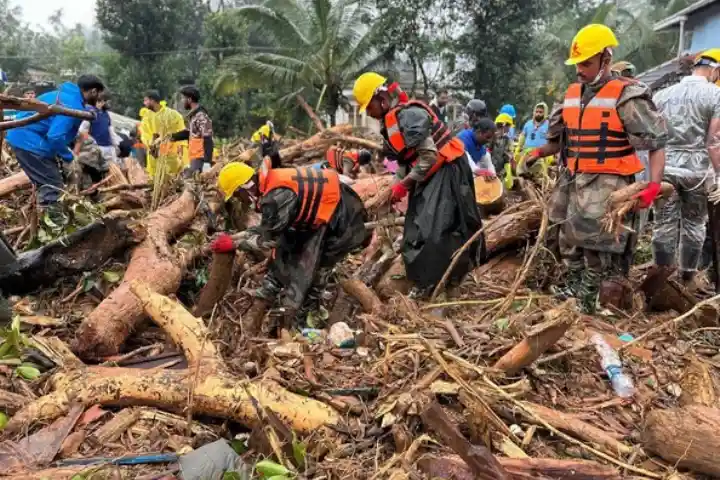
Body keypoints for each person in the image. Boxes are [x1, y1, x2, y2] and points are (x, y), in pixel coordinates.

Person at [523, 24, 667, 313]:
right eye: (577, 64)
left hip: (609, 182)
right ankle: (575, 289)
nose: (580, 70)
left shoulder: (627, 96)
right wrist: (536, 153)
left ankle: (590, 298)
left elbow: (656, 144)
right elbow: (556, 142)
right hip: (573, 178)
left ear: (606, 59)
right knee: (565, 237)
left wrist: (652, 187)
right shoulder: (571, 94)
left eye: (586, 63)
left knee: (598, 245)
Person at [352, 72, 484, 297]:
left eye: (369, 107)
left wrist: (403, 185)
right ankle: (428, 284)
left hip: (448, 169)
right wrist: (393, 190)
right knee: (416, 229)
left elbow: (429, 157)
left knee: (435, 232)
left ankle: (442, 287)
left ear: (381, 98)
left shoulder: (409, 116)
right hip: (432, 173)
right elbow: (407, 158)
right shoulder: (392, 121)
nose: (369, 113)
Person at [212, 158, 369, 333]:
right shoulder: (269, 186)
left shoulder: (275, 197)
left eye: (236, 195)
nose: (239, 200)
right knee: (287, 244)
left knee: (314, 268)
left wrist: (234, 244)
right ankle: (271, 287)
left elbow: (267, 240)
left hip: (342, 219)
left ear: (244, 187)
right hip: (321, 215)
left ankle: (306, 320)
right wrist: (236, 238)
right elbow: (268, 230)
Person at [653, 49, 720, 289]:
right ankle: (687, 278)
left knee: (663, 224)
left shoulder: (662, 95)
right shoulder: (715, 95)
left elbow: (655, 137)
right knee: (694, 224)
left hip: (666, 168)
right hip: (698, 173)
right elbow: (713, 142)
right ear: (714, 71)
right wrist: (719, 176)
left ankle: (661, 278)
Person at [5, 75, 105, 217]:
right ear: (94, 91)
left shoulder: (64, 95)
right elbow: (55, 136)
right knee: (52, 186)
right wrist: (69, 157)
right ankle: (53, 228)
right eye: (99, 94)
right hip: (30, 142)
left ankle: (43, 221)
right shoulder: (72, 103)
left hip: (23, 137)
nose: (99, 98)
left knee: (46, 184)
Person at [169, 86, 214, 177]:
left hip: (200, 158)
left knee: (193, 183)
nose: (182, 101)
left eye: (183, 98)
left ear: (189, 99)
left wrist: (207, 162)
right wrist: (170, 136)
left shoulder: (201, 116)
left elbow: (208, 138)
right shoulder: (194, 116)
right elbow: (189, 133)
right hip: (195, 157)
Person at [142, 90, 186, 178]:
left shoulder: (172, 114)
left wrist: (180, 146)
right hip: (153, 151)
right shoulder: (147, 116)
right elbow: (144, 132)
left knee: (169, 175)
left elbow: (182, 131)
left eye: (146, 100)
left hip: (169, 150)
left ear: (153, 101)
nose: (144, 103)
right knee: (154, 176)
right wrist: (151, 143)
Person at [74, 91, 120, 166]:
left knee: (111, 170)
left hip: (108, 147)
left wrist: (116, 144)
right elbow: (83, 130)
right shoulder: (90, 112)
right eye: (99, 101)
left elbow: (111, 131)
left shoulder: (106, 114)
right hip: (95, 148)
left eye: (103, 101)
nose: (101, 103)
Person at [514, 102, 552, 177]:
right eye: (536, 111)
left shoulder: (549, 125)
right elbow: (523, 136)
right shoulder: (528, 123)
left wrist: (550, 154)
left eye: (540, 112)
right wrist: (518, 147)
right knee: (520, 165)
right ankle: (521, 174)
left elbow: (552, 140)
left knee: (539, 168)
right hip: (527, 152)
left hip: (541, 153)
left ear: (545, 113)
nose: (538, 114)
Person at [491, 113, 515, 187]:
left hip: (499, 172)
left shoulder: (506, 140)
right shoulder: (490, 137)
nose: (509, 129)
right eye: (509, 126)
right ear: (504, 125)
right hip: (489, 171)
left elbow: (507, 157)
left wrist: (509, 156)